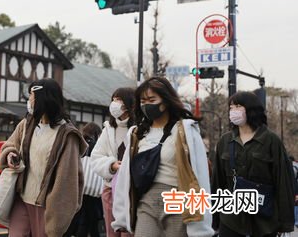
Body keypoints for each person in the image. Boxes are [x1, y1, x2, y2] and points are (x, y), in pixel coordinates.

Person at [112, 77, 213, 237]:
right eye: (143, 101)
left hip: (177, 200)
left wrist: (202, 225)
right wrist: (121, 217)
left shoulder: (185, 131)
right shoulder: (137, 134)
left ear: (165, 101)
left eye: (152, 99)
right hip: (146, 201)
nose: (146, 105)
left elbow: (199, 177)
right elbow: (125, 176)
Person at [0, 78, 87, 237]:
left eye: (32, 95)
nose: (29, 100)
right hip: (22, 197)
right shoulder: (26, 124)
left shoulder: (67, 134)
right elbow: (10, 144)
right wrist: (10, 153)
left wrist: (57, 216)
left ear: (44, 98)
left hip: (46, 205)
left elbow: (67, 179)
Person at [211, 91, 294, 237]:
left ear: (251, 110)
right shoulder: (225, 141)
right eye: (231, 108)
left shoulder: (271, 140)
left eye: (238, 106)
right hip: (231, 219)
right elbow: (218, 181)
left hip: (264, 221)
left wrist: (285, 222)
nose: (233, 111)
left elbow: (283, 182)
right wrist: (215, 217)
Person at [91, 87, 134, 237]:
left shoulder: (139, 129)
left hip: (131, 191)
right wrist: (112, 165)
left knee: (129, 232)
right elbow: (96, 157)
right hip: (110, 189)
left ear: (129, 104)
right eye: (113, 100)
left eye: (119, 100)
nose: (114, 104)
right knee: (112, 233)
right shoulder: (108, 129)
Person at [64, 122, 104, 237]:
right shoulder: (97, 145)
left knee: (77, 218)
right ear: (96, 133)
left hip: (79, 186)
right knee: (90, 221)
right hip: (92, 189)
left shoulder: (79, 143)